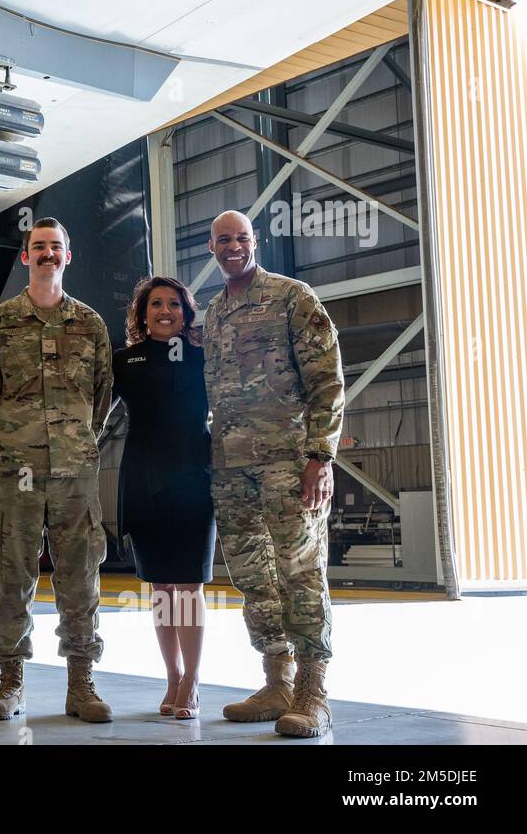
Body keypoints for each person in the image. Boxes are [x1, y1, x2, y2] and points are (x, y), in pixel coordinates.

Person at [202, 210, 344, 738]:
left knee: (300, 573)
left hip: (289, 464)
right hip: (231, 468)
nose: (232, 246)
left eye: (240, 238)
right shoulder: (214, 313)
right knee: (253, 578)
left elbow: (327, 380)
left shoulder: (292, 296)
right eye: (223, 240)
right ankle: (277, 679)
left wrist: (320, 456)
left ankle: (314, 691)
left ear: (253, 242)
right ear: (211, 247)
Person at [0, 217, 115, 724]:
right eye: (38, 247)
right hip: (16, 473)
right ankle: (11, 682)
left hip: (76, 473)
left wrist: (73, 443)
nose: (48, 253)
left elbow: (102, 397)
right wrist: (13, 443)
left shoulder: (91, 325)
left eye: (56, 246)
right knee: (12, 576)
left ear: (67, 256)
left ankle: (82, 683)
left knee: (81, 580)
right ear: (25, 257)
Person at [113, 276, 216, 720]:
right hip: (143, 477)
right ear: (142, 313)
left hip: (193, 477)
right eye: (155, 304)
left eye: (174, 303)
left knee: (189, 586)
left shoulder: (202, 357)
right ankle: (171, 675)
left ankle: (192, 679)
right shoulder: (125, 360)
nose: (165, 311)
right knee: (161, 586)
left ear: (186, 311)